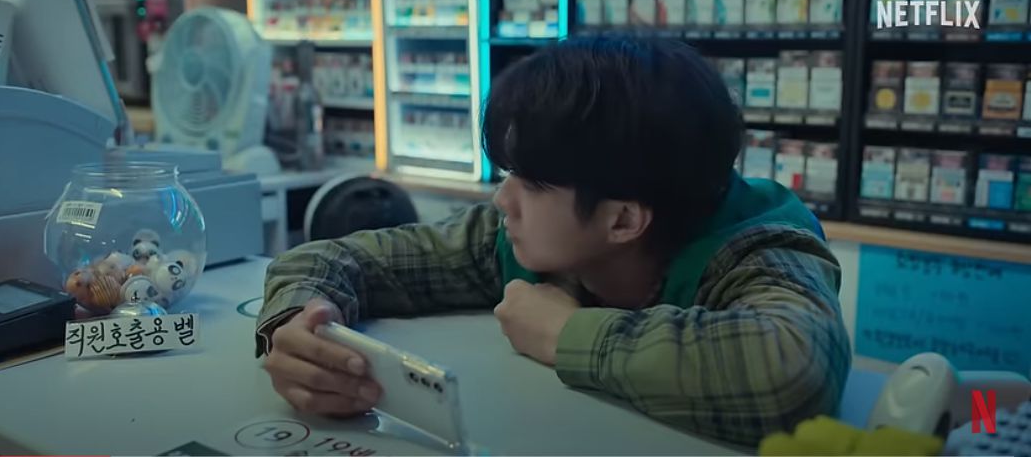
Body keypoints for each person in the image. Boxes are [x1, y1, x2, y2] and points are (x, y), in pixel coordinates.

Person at [256, 36, 852, 447]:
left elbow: (790, 374)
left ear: (623, 220)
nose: (502, 200)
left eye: (530, 182)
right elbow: (330, 258)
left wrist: (564, 333)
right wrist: (296, 323)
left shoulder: (758, 244)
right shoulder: (513, 236)